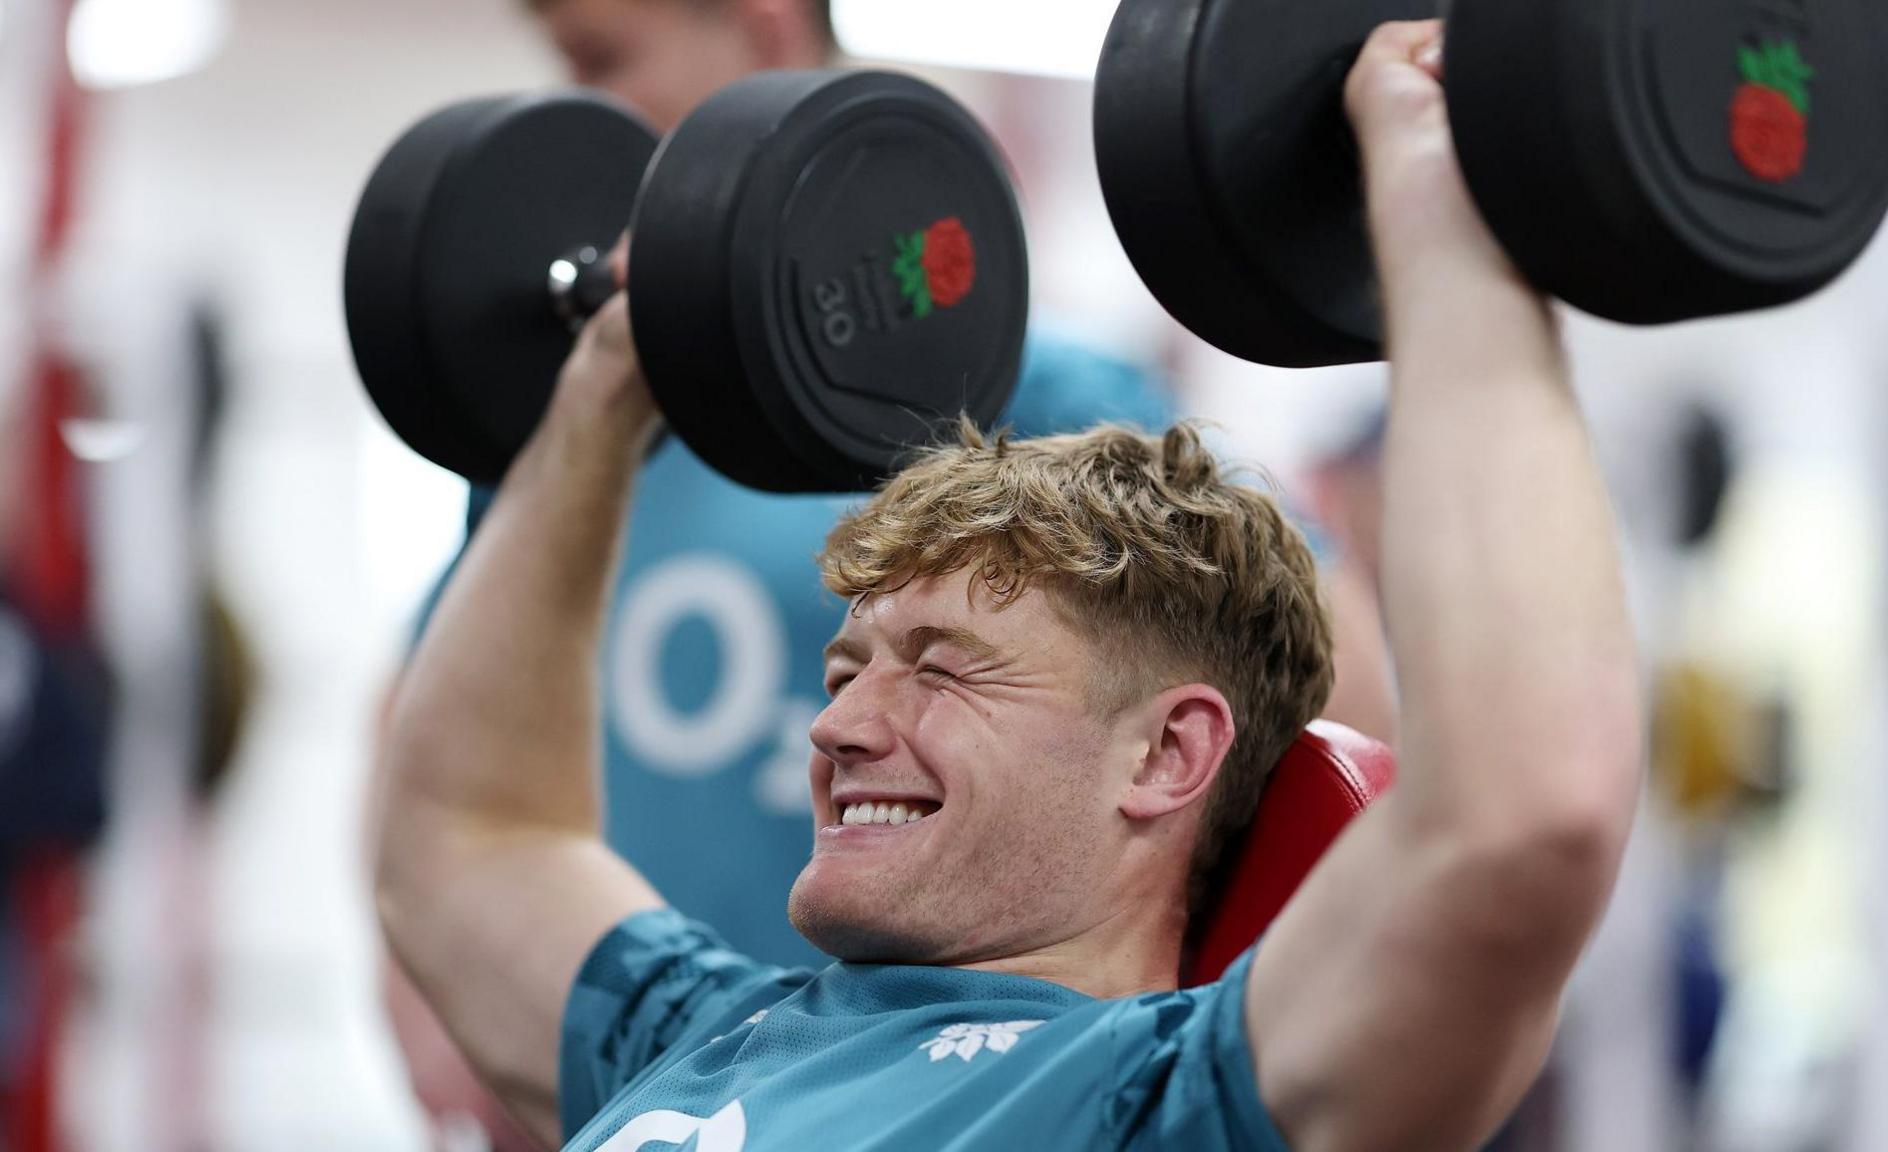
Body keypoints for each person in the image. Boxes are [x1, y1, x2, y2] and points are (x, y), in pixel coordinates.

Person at [376, 20, 1642, 1151]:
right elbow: (471, 838)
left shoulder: (1154, 1098)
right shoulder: (703, 1029)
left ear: (1163, 754)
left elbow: (1516, 824)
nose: (834, 728)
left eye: (938, 670)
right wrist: (611, 383)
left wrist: (1435, 205)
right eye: (844, 669)